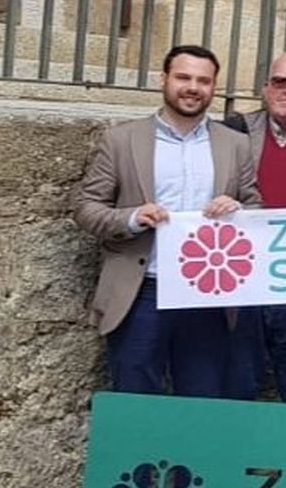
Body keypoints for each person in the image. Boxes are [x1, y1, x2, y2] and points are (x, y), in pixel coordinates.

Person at [72, 44, 259, 398]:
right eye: (183, 77)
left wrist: (238, 210)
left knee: (202, 399)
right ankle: (136, 457)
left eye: (203, 80)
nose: (193, 87)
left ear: (214, 87)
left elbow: (255, 206)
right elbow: (86, 207)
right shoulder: (122, 140)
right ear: (164, 80)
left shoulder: (235, 145)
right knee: (134, 397)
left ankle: (195, 456)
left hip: (207, 293)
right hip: (143, 288)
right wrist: (131, 218)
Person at [222, 50, 286, 404]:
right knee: (236, 384)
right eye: (280, 82)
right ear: (265, 90)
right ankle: (236, 459)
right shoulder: (232, 135)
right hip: (242, 282)